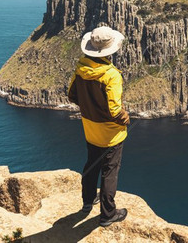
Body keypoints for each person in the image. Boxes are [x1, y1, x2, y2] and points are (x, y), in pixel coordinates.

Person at [67, 25, 130, 228]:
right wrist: (126, 118)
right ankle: (107, 214)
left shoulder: (81, 68)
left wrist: (90, 107)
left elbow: (72, 95)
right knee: (110, 172)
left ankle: (87, 202)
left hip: (90, 129)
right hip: (111, 134)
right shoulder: (111, 75)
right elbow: (114, 111)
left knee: (91, 165)